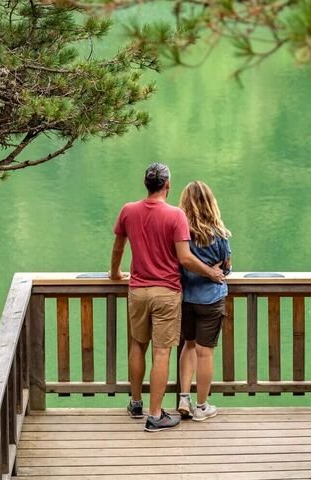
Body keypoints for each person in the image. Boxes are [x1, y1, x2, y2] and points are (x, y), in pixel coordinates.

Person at [109, 162, 225, 433]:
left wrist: (115, 274)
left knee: (138, 345)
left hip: (137, 290)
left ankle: (136, 403)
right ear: (168, 185)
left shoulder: (128, 210)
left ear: (146, 184)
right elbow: (185, 258)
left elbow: (117, 248)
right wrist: (211, 272)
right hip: (167, 292)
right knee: (162, 353)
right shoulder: (175, 216)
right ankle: (155, 415)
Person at [176, 181, 232, 422]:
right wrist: (217, 270)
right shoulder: (218, 233)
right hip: (211, 298)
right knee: (205, 353)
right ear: (211, 203)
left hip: (186, 297)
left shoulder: (180, 232)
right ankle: (201, 406)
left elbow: (177, 261)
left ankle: (184, 399)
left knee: (188, 345)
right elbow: (226, 266)